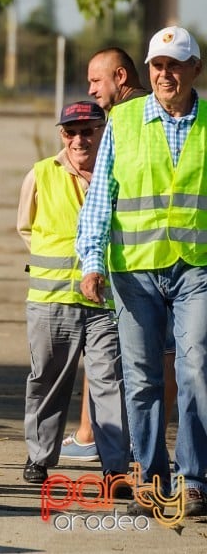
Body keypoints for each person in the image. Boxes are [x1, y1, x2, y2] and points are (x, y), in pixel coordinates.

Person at [76, 25, 206, 517]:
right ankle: (151, 477)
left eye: (174, 65)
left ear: (195, 69)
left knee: (195, 367)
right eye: (157, 66)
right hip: (134, 270)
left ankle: (194, 480)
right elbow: (100, 198)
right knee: (143, 377)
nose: (165, 74)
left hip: (197, 267)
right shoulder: (125, 121)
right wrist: (91, 263)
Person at [16, 100, 131, 486]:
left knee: (109, 381)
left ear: (103, 132)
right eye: (71, 131)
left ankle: (115, 465)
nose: (79, 139)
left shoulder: (122, 175)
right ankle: (38, 457)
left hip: (106, 301)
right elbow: (26, 228)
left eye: (89, 130)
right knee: (47, 379)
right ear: (61, 134)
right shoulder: (41, 174)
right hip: (53, 301)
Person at [60, 47, 151, 462]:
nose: (91, 89)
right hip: (138, 259)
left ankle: (122, 443)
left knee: (134, 361)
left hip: (143, 263)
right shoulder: (134, 114)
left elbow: (106, 197)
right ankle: (102, 436)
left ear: (119, 75)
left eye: (96, 81)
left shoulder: (132, 118)